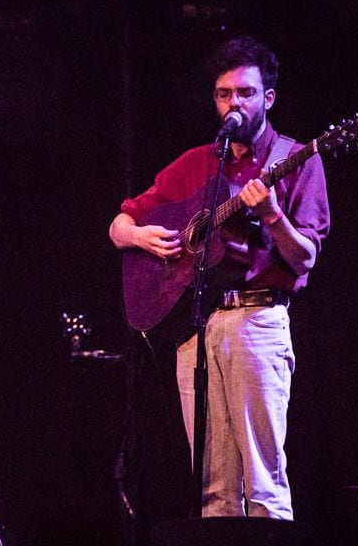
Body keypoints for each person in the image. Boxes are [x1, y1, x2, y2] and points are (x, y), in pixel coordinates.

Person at [109, 36, 330, 519]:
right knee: (213, 491)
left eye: (245, 93)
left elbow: (306, 258)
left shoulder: (299, 159)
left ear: (268, 98)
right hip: (197, 328)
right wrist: (141, 237)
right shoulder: (196, 162)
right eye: (224, 94)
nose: (234, 103)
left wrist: (272, 215)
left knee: (263, 482)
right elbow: (118, 224)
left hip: (257, 321)